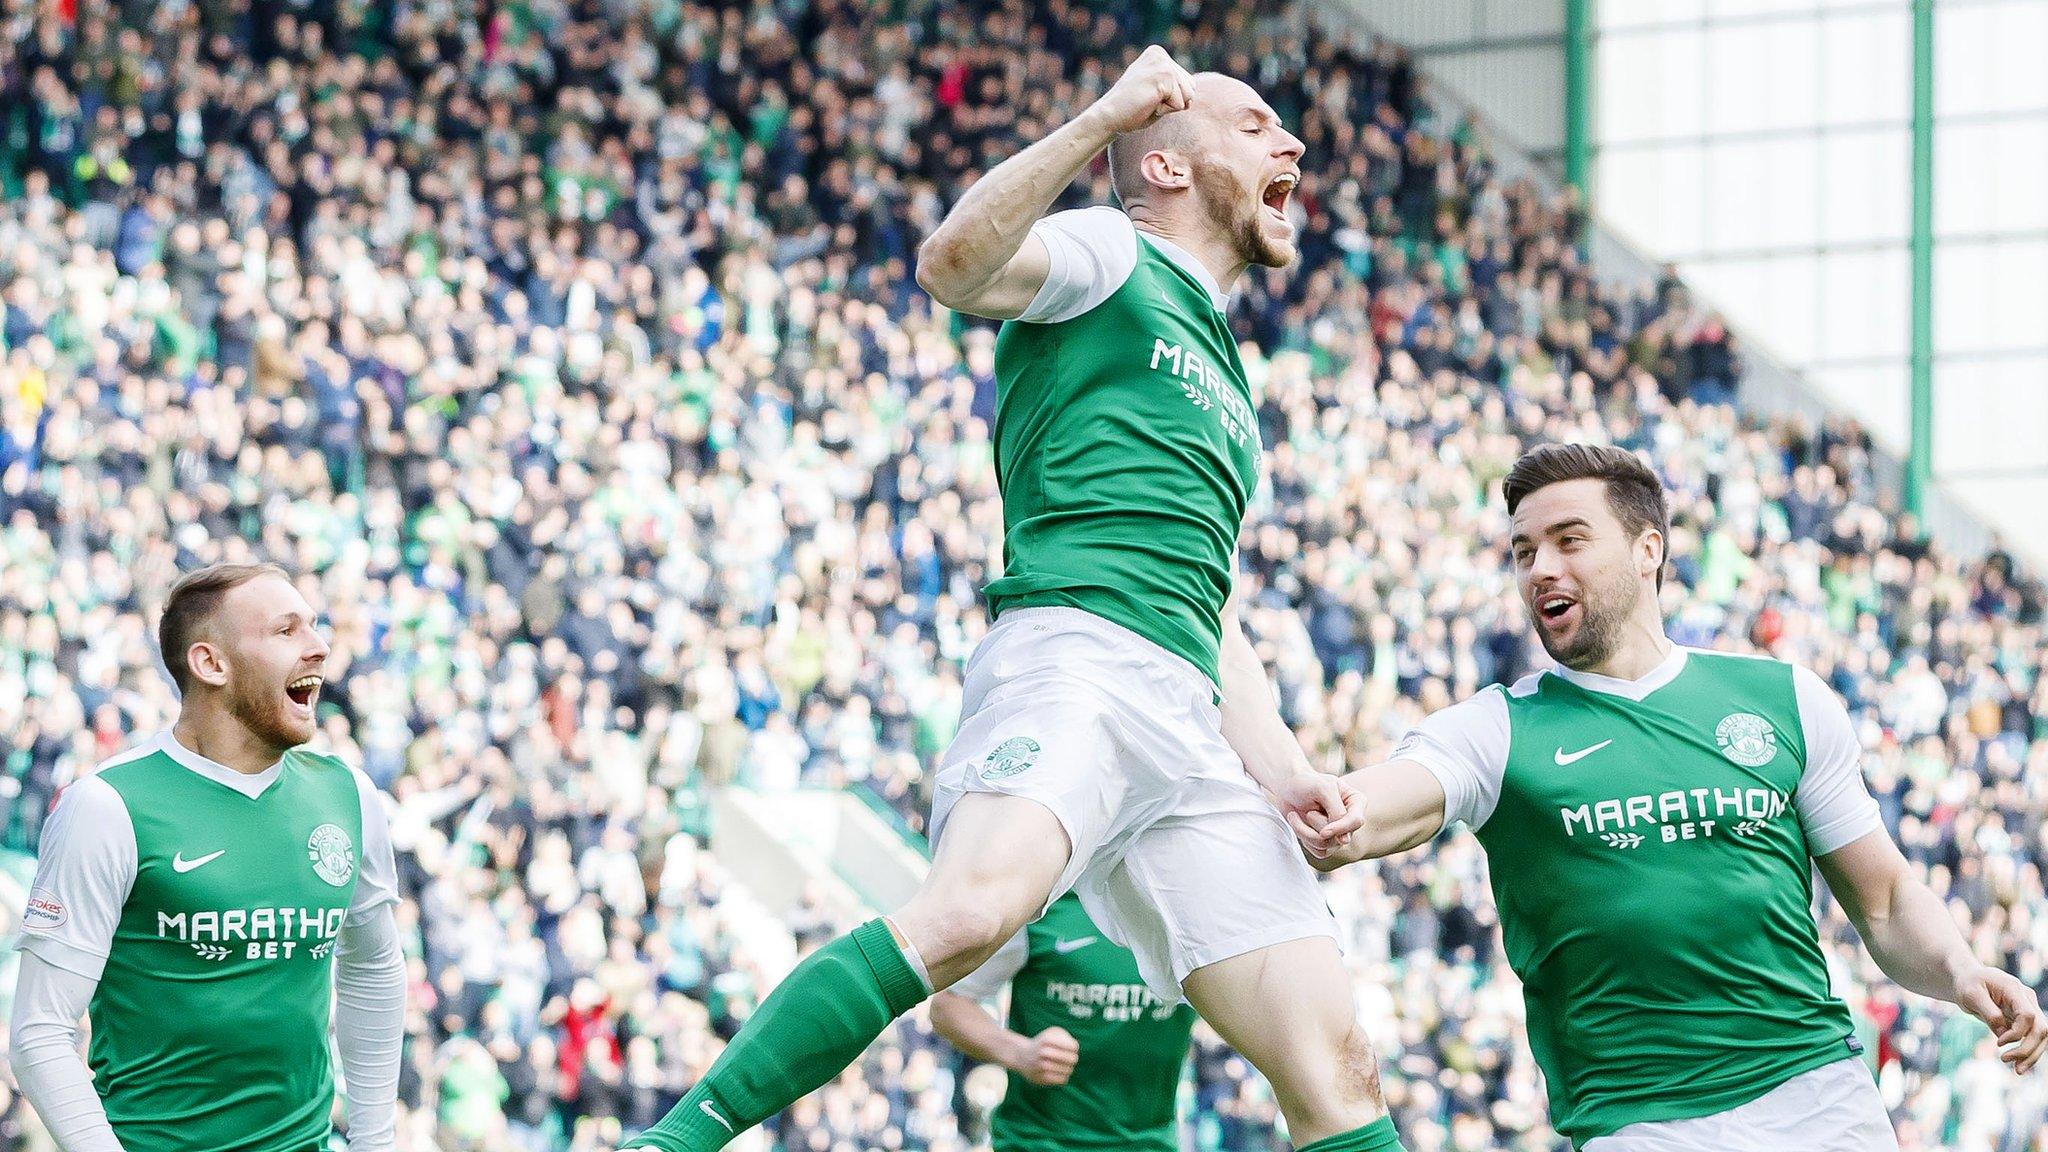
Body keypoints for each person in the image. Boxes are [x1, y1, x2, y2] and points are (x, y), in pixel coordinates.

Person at [622, 45, 1402, 1152]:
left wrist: (1282, 772)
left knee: (1336, 1067)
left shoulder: (1227, 373)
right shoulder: (1112, 251)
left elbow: (1207, 608)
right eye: (1256, 125)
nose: (1293, 145)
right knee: (966, 917)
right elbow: (951, 264)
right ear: (1170, 167)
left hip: (1185, 723)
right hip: (1077, 658)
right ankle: (671, 1140)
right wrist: (1103, 116)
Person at [1309, 443, 2048, 1151]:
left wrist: (1959, 970)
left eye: (1570, 540)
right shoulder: (1499, 729)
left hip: (1823, 1097)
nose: (1541, 569)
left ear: (1648, 550)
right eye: (1525, 551)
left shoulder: (1783, 700)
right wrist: (1345, 812)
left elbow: (1883, 901)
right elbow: (1396, 793)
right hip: (1639, 1122)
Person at [9, 562, 406, 1152]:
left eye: (315, 627)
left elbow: (373, 970)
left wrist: (376, 1142)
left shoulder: (350, 797)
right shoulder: (108, 807)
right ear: (210, 663)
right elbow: (39, 1033)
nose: (320, 647)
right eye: (286, 630)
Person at [930, 893, 1199, 1151]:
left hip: (1150, 1144)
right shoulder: (1041, 905)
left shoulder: (1190, 915)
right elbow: (948, 1006)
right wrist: (1020, 1053)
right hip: (1040, 1142)